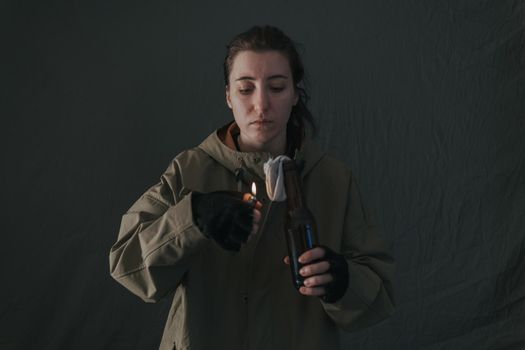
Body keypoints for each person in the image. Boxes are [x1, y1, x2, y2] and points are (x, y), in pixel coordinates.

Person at [109, 25, 395, 350]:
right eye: (246, 89)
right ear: (229, 95)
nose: (261, 105)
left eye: (276, 87)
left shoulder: (334, 179)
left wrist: (343, 281)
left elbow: (381, 294)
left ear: (295, 94)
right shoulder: (189, 170)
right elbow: (127, 266)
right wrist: (192, 217)